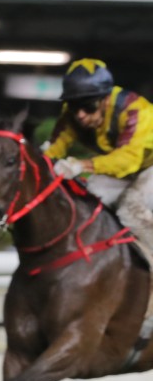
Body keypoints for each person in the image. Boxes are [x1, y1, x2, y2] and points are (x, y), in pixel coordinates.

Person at [47, 58, 153, 261]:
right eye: (74, 106)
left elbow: (127, 159)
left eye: (88, 107)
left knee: (130, 207)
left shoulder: (136, 111)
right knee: (88, 201)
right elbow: (54, 149)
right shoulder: (73, 115)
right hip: (129, 170)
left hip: (146, 166)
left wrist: (82, 165)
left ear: (105, 99)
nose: (80, 115)